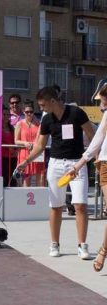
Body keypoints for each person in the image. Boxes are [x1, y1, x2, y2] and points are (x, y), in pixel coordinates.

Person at [16, 86, 95, 259]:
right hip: (56, 165)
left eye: (43, 105)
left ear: (53, 101)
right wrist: (26, 160)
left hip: (77, 164)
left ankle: (82, 245)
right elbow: (40, 145)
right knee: (56, 206)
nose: (41, 108)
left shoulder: (76, 113)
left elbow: (92, 135)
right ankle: (55, 244)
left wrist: (91, 158)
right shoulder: (46, 120)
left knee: (80, 204)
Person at [65, 83, 107, 271]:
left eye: (103, 98)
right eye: (100, 99)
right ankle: (103, 252)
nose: (101, 102)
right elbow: (95, 143)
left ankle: (103, 250)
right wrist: (78, 165)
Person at [15, 101, 45, 187]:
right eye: (27, 112)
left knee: (40, 178)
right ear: (23, 112)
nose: (29, 114)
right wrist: (25, 143)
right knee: (26, 180)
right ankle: (25, 199)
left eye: (31, 112)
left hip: (37, 153)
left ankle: (40, 199)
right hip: (25, 153)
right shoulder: (19, 124)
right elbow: (16, 140)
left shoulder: (38, 123)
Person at [1, 106, 17, 187]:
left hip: (12, 157)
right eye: (4, 114)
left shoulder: (12, 128)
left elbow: (15, 140)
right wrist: (8, 147)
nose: (7, 116)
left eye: (8, 115)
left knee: (12, 178)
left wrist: (15, 150)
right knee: (4, 178)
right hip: (2, 157)